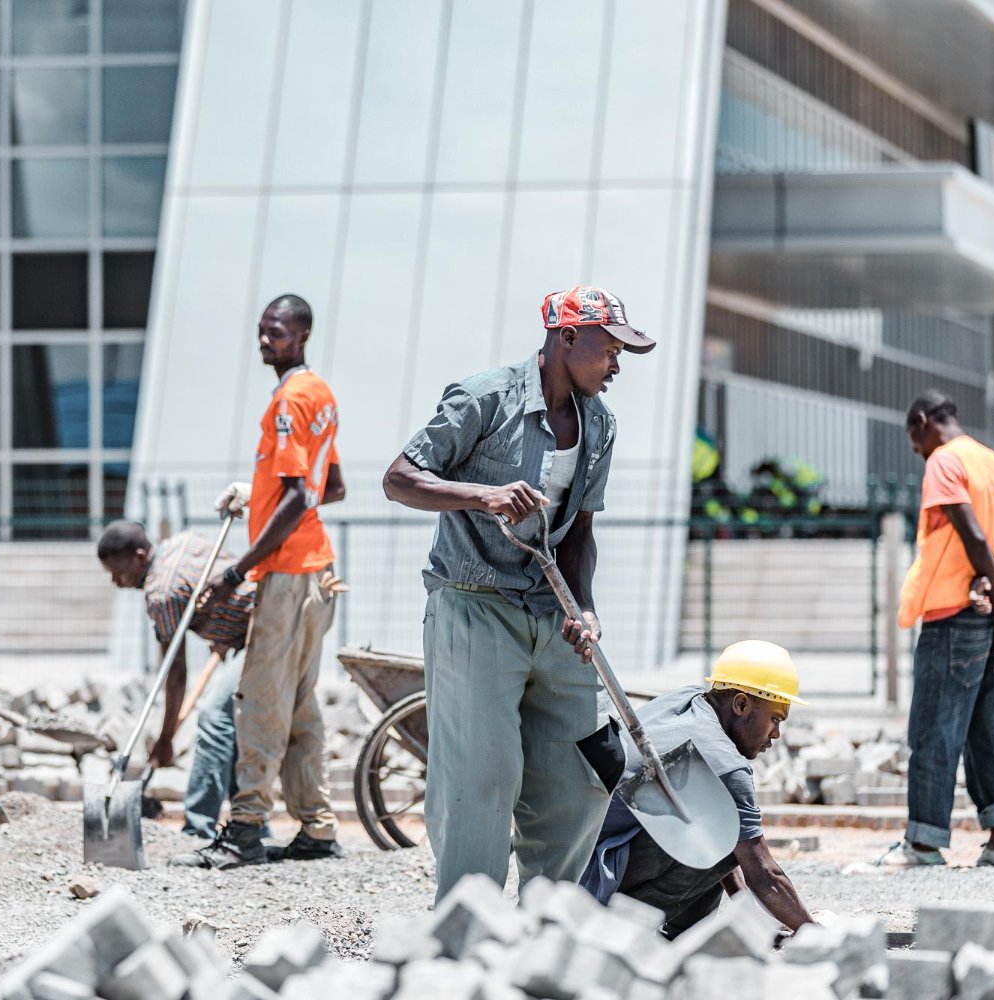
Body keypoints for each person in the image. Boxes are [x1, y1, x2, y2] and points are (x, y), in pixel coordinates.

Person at [382, 284, 653, 902]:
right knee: (481, 776)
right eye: (609, 348)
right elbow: (399, 479)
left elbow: (580, 531)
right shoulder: (484, 399)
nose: (616, 365)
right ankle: (467, 927)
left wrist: (584, 606)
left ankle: (544, 924)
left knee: (579, 776)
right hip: (475, 605)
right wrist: (483, 495)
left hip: (552, 612)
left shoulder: (600, 424)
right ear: (566, 337)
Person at [180, 293, 347, 869]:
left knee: (259, 703)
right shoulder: (320, 394)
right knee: (298, 705)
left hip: (291, 577)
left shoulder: (289, 401)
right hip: (319, 575)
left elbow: (302, 495)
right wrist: (260, 495)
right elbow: (332, 486)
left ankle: (246, 828)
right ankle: (318, 828)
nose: (264, 341)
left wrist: (235, 570)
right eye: (260, 331)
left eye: (275, 333)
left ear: (301, 336)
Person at [581, 641, 814, 939]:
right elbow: (764, 873)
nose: (777, 734)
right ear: (741, 705)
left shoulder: (688, 701)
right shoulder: (724, 763)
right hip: (595, 885)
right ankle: (618, 928)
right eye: (775, 719)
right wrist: (814, 933)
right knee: (725, 832)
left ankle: (684, 937)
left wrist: (754, 923)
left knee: (716, 828)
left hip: (580, 866)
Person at [882, 390, 994, 868]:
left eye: (914, 441)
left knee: (933, 728)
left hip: (950, 614)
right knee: (990, 728)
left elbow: (975, 535)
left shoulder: (945, 461)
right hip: (985, 610)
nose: (918, 451)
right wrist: (992, 588)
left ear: (923, 422)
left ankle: (923, 843)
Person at [97, 519, 257, 840]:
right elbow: (215, 581)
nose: (115, 582)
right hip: (261, 618)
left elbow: (175, 672)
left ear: (140, 557)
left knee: (213, 718)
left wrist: (166, 737)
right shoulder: (181, 542)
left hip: (264, 630)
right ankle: (252, 826)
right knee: (235, 723)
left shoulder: (161, 593)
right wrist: (225, 627)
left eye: (119, 572)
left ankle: (197, 829)